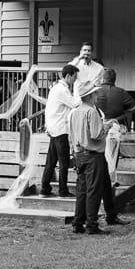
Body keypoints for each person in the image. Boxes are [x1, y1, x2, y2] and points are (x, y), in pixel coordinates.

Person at [84, 69, 135, 222]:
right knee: (109, 172)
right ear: (115, 79)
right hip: (111, 133)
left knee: (103, 178)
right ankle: (99, 216)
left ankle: (105, 214)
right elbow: (133, 107)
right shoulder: (120, 92)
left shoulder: (94, 94)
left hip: (92, 142)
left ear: (102, 79)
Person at [66, 96, 111, 234]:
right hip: (93, 155)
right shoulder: (91, 112)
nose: (97, 96)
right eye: (95, 93)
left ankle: (78, 222)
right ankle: (91, 224)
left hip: (79, 153)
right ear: (90, 96)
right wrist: (107, 127)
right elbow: (96, 134)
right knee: (93, 190)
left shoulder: (74, 112)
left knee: (82, 190)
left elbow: (71, 135)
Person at [40, 63, 79, 198]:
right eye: (74, 77)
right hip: (60, 129)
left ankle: (45, 188)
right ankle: (63, 190)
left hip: (53, 128)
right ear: (68, 76)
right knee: (64, 162)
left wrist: (47, 126)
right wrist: (79, 90)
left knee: (51, 161)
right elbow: (75, 104)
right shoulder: (62, 90)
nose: (75, 80)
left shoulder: (55, 88)